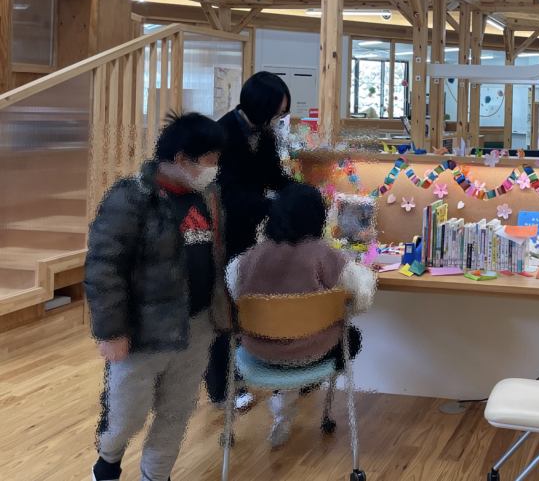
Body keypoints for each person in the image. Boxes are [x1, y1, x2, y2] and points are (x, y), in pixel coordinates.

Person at [85, 112, 229, 481]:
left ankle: (156, 475)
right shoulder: (131, 197)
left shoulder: (208, 197)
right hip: (143, 332)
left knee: (176, 413)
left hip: (197, 326)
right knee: (126, 415)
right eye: (209, 160)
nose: (214, 169)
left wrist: (218, 315)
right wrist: (111, 332)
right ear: (181, 158)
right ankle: (108, 461)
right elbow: (104, 267)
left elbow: (216, 258)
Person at [228, 183, 374, 446]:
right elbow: (362, 297)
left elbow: (234, 294)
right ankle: (291, 397)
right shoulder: (326, 255)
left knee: (290, 338)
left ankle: (284, 401)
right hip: (312, 354)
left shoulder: (248, 258)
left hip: (258, 355)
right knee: (350, 337)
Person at [206, 71, 294, 410]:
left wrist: (298, 193)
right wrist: (272, 205)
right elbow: (227, 194)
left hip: (246, 230)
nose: (279, 118)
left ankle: (240, 374)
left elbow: (273, 175)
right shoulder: (221, 135)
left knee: (241, 303)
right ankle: (221, 389)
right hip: (218, 232)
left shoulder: (265, 136)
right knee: (221, 309)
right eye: (276, 112)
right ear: (259, 107)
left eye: (282, 113)